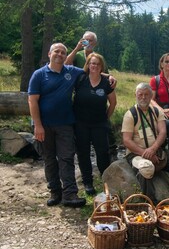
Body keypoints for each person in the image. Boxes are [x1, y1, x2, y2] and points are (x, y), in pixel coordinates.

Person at [28, 43, 86, 208]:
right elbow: (32, 101)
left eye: (63, 52)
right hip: (44, 125)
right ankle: (55, 192)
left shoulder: (71, 72)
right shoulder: (39, 75)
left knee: (67, 158)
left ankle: (70, 194)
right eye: (56, 51)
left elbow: (93, 70)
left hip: (65, 124)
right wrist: (37, 125)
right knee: (49, 160)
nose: (59, 54)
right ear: (49, 54)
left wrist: (109, 77)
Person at [121, 83, 169, 205]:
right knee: (145, 170)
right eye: (140, 94)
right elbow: (127, 140)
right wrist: (145, 153)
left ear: (151, 96)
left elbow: (163, 132)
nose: (143, 97)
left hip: (157, 150)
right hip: (137, 154)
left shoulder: (156, 112)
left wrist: (153, 149)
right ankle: (151, 204)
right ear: (136, 95)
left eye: (146, 94)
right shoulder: (130, 115)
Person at [65, 31, 117, 162]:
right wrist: (77, 48)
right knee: (82, 139)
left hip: (98, 101)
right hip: (82, 95)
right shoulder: (77, 55)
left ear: (95, 43)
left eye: (90, 40)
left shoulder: (98, 57)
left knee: (106, 128)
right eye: (85, 39)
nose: (87, 42)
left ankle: (112, 152)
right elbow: (65, 64)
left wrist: (109, 76)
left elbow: (101, 72)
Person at [73, 53, 117, 195]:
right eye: (92, 63)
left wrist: (105, 118)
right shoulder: (80, 78)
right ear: (88, 64)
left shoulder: (106, 83)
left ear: (101, 66)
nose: (94, 66)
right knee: (83, 153)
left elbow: (113, 103)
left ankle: (106, 181)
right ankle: (87, 182)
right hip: (81, 124)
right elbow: (66, 65)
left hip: (99, 124)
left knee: (102, 153)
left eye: (97, 64)